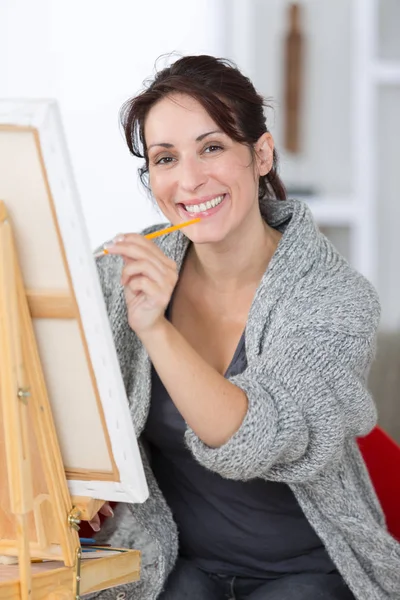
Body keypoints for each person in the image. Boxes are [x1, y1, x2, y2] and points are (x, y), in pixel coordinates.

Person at [89, 55, 400, 600]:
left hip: (310, 573)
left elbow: (251, 440)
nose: (189, 180)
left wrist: (158, 330)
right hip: (177, 563)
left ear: (260, 154)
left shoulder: (334, 298)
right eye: (165, 158)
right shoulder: (122, 278)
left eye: (211, 147)